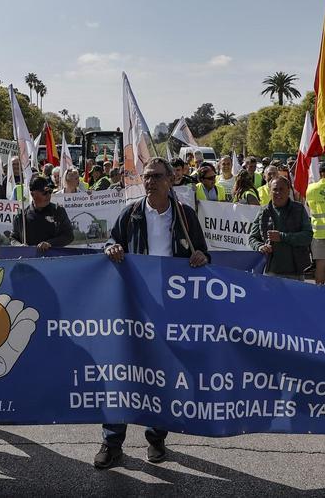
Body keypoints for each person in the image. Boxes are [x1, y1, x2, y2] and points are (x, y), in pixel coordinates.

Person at [98, 156, 209, 470]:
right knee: (122, 372)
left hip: (170, 310)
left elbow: (203, 253)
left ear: (171, 180)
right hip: (134, 306)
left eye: (156, 176)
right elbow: (110, 241)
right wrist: (111, 248)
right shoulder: (131, 213)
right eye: (146, 177)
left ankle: (156, 437)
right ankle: (111, 442)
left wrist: (201, 256)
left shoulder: (185, 216)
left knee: (163, 374)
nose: (149, 182)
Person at [249, 176, 313, 279]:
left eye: (281, 189)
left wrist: (282, 236)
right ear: (270, 192)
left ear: (288, 191)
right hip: (271, 270)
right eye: (275, 189)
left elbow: (308, 236)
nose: (278, 193)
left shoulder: (299, 209)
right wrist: (260, 246)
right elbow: (252, 238)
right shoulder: (263, 211)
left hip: (295, 271)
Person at [12, 176, 74, 251]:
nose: (48, 195)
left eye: (50, 191)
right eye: (44, 193)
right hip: (30, 259)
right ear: (32, 194)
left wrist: (50, 243)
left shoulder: (58, 211)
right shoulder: (21, 216)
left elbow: (69, 236)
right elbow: (13, 238)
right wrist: (19, 246)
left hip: (54, 258)